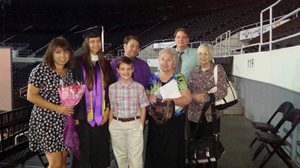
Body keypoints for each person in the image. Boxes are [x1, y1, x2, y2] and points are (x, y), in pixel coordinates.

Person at [27, 36, 75, 168]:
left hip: (63, 122)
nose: (63, 56)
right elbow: (31, 96)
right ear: (51, 53)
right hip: (46, 121)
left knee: (64, 160)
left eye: (66, 52)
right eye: (58, 52)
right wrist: (57, 108)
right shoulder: (40, 70)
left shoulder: (69, 72)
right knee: (55, 162)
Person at [71, 28, 115, 168]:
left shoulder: (106, 64)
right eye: (92, 41)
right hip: (83, 116)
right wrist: (75, 115)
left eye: (98, 41)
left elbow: (110, 89)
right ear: (86, 43)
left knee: (100, 151)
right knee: (82, 153)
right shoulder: (77, 63)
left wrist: (108, 110)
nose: (96, 44)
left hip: (101, 116)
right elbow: (72, 90)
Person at [145, 48, 192, 168]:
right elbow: (146, 94)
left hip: (174, 122)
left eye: (169, 60)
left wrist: (172, 101)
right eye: (162, 59)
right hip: (156, 122)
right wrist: (149, 96)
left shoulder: (179, 78)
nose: (165, 62)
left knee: (173, 153)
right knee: (155, 152)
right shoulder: (152, 77)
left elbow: (188, 99)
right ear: (158, 61)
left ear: (174, 63)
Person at [108, 56, 150, 168]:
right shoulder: (112, 88)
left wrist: (140, 125)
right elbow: (111, 108)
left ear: (132, 70)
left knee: (135, 159)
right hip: (117, 125)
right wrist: (111, 125)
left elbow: (143, 107)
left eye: (128, 69)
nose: (125, 72)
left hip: (134, 125)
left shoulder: (139, 87)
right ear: (117, 70)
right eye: (122, 69)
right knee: (121, 159)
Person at [188, 43, 227, 142]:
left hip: (210, 115)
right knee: (194, 144)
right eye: (200, 54)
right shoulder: (194, 71)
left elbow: (223, 90)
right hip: (193, 115)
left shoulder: (218, 70)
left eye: (206, 53)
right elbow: (188, 89)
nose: (203, 56)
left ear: (211, 55)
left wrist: (205, 97)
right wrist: (193, 96)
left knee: (210, 146)